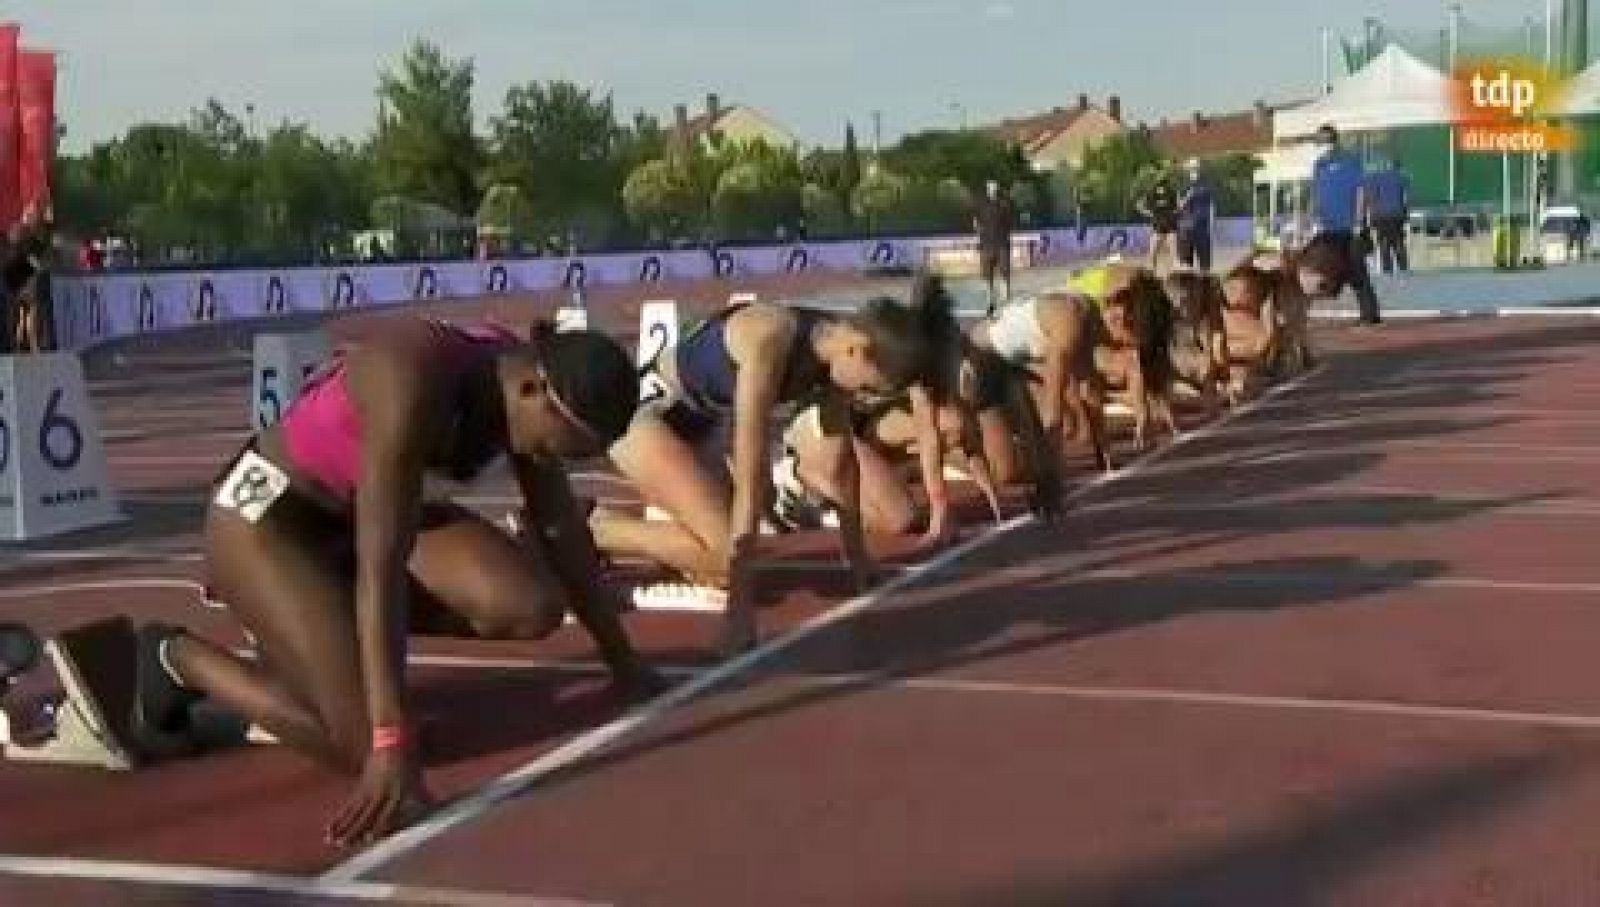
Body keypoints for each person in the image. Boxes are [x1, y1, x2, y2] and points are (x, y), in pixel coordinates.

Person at [56, 316, 662, 848]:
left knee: (531, 604)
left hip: (354, 520)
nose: (549, 460)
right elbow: (382, 567)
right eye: (562, 447)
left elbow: (559, 532)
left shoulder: (524, 382)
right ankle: (174, 658)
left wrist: (625, 663)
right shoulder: (410, 376)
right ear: (534, 391)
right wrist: (390, 735)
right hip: (268, 523)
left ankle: (316, 630)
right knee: (364, 749)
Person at [594, 281, 956, 657]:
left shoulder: (836, 354)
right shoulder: (768, 340)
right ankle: (594, 527)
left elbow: (842, 462)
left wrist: (857, 557)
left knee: (725, 555)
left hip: (701, 427)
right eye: (867, 386)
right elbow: (750, 471)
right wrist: (741, 613)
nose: (864, 398)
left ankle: (664, 522)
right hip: (643, 418)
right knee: (724, 559)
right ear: (856, 349)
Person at [1308, 124, 1381, 325]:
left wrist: (1359, 220)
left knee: (1357, 269)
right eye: (1318, 142)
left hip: (1350, 225)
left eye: (1322, 141)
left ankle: (1370, 314)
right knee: (1319, 265)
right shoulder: (1319, 164)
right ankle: (1308, 308)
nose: (1320, 145)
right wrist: (1315, 219)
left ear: (1331, 141)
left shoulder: (1350, 160)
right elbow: (1316, 194)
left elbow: (1360, 190)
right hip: (1327, 226)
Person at [973, 181, 1015, 316]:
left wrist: (1005, 236)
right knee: (986, 274)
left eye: (995, 188)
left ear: (997, 189)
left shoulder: (1004, 204)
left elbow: (1009, 223)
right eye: (990, 188)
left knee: (1004, 271)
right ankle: (990, 299)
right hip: (986, 245)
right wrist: (980, 233)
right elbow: (975, 222)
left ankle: (1006, 297)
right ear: (987, 190)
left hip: (1001, 244)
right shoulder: (981, 205)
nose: (993, 190)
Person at [1364, 156, 1411, 275]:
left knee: (1384, 243)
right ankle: (1403, 269)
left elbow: (1371, 198)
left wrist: (1371, 216)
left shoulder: (1375, 178)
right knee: (1398, 242)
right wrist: (1405, 214)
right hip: (1396, 215)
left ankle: (1387, 270)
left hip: (1380, 215)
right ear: (1398, 167)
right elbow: (1406, 199)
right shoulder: (1402, 178)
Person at [1176, 159, 1216, 271]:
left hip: (1202, 229)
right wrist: (1188, 196)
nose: (1194, 169)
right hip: (1186, 229)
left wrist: (1212, 225)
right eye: (1192, 167)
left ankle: (1206, 285)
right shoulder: (1183, 185)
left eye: (1196, 167)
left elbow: (1211, 205)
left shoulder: (1207, 184)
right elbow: (1179, 206)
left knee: (1205, 264)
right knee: (1186, 265)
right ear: (1188, 169)